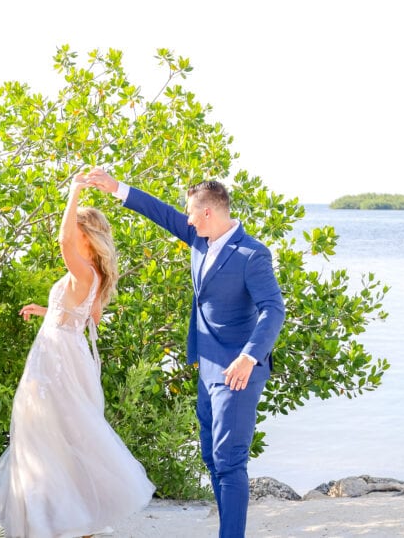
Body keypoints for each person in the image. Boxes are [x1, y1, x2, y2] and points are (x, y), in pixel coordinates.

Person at [80, 168, 285, 538]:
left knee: (230, 460)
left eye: (192, 212)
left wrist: (249, 356)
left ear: (209, 212)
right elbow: (159, 212)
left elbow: (274, 309)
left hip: (238, 370)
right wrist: (115, 188)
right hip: (207, 366)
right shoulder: (200, 239)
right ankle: (229, 529)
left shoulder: (252, 254)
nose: (187, 219)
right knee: (211, 457)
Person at [0, 177, 154, 537]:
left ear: (84, 235)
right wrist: (45, 310)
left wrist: (75, 191)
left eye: (73, 225)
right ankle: (68, 518)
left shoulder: (83, 270)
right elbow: (83, 317)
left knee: (43, 432)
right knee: (60, 434)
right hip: (67, 352)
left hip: (56, 359)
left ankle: (55, 520)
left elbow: (63, 240)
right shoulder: (91, 275)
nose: (68, 234)